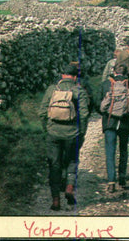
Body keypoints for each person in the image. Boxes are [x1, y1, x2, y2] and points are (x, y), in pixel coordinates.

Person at [39, 62, 90, 211]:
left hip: (53, 133)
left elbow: (42, 112)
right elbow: (85, 115)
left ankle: (55, 200)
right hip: (72, 134)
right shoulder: (79, 91)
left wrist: (47, 129)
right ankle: (69, 187)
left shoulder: (52, 90)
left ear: (62, 76)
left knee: (54, 165)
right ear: (75, 77)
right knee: (72, 161)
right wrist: (81, 133)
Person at [96, 63, 129, 192]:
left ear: (113, 72)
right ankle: (122, 178)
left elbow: (97, 103)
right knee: (123, 149)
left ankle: (111, 181)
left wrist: (106, 114)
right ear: (126, 73)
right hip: (125, 122)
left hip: (110, 122)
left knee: (110, 151)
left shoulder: (106, 84)